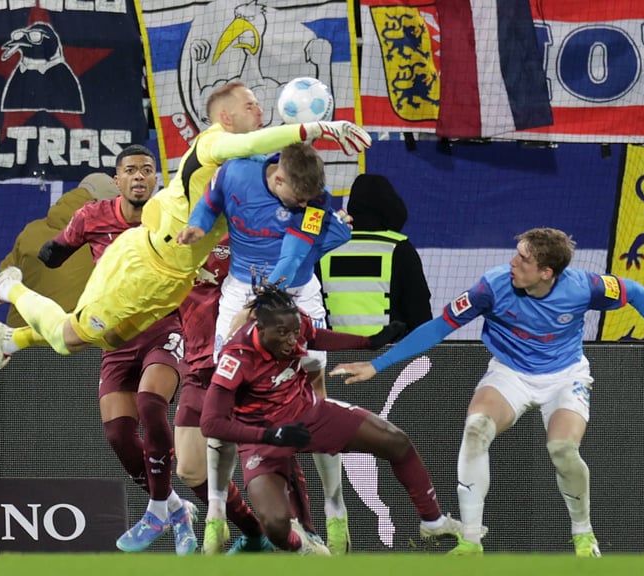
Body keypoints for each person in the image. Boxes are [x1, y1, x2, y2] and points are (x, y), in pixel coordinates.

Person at [0, 80, 371, 388]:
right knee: (70, 337)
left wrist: (330, 222)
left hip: (175, 279)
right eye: (251, 106)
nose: (261, 113)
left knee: (107, 338)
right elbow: (264, 141)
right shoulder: (215, 142)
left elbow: (291, 192)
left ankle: (12, 340)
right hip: (147, 263)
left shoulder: (255, 166)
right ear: (227, 118)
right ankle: (9, 290)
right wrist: (314, 127)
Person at [330, 227, 644, 557]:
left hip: (565, 376)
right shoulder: (491, 287)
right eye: (516, 253)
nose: (513, 262)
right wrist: (377, 365)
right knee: (476, 428)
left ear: (546, 272)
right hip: (509, 373)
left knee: (562, 450)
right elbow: (439, 326)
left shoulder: (583, 286)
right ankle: (471, 542)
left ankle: (583, 535)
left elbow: (635, 292)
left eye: (523, 259)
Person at [0, 146, 198, 555]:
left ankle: (155, 510)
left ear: (155, 180)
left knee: (151, 403)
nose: (138, 177)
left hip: (163, 327)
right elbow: (55, 250)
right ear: (116, 181)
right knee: (118, 433)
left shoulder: (170, 216)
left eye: (147, 171)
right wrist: (50, 253)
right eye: (130, 170)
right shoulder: (92, 217)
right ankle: (174, 508)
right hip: (113, 336)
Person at [176, 142, 355, 554]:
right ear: (277, 178)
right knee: (226, 402)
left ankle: (335, 509)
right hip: (240, 289)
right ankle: (216, 516)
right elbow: (210, 200)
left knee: (315, 401)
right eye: (298, 197)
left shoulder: (316, 203)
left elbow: (291, 258)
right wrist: (199, 224)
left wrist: (255, 310)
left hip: (295, 293)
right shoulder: (236, 172)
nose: (306, 203)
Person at [199, 282, 461, 555]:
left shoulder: (293, 322)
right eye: (283, 334)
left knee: (396, 441)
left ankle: (433, 521)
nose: (292, 341)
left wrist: (370, 342)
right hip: (263, 438)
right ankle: (304, 548)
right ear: (259, 329)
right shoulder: (236, 358)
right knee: (275, 525)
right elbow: (210, 423)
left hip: (310, 414)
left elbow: (315, 337)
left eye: (295, 333)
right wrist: (268, 436)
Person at [173, 236, 275, 555]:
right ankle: (254, 534)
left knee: (265, 466)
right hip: (196, 367)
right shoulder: (167, 235)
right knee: (189, 469)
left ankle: (304, 540)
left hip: (242, 367)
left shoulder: (242, 233)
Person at [0, 173, 119, 328]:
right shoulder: (108, 241)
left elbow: (3, 277)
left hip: (19, 339)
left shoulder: (31, 230)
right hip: (73, 341)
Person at [318, 173, 432, 335]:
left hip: (335, 355)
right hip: (389, 356)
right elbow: (419, 313)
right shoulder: (399, 248)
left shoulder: (326, 247)